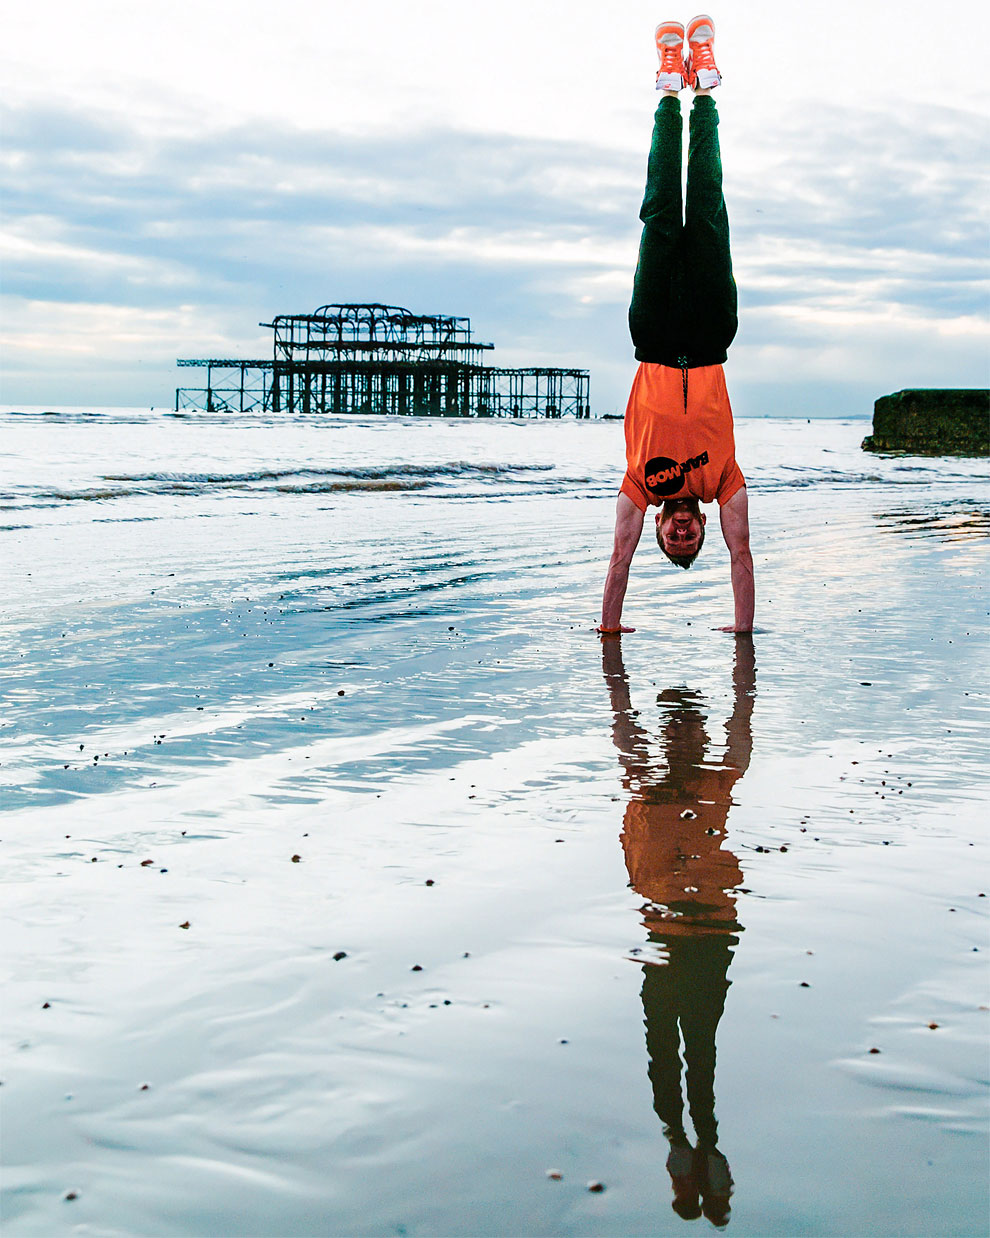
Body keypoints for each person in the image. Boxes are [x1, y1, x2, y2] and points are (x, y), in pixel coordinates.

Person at [599, 16, 754, 636]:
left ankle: (669, 87)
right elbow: (742, 557)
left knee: (662, 208)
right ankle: (706, 89)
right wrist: (742, 629)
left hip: (656, 336)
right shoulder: (724, 482)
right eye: (692, 541)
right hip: (713, 335)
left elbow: (616, 560)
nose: (683, 533)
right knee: (709, 202)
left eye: (673, 540)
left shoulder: (640, 483)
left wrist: (609, 629)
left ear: (659, 528)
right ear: (701, 531)